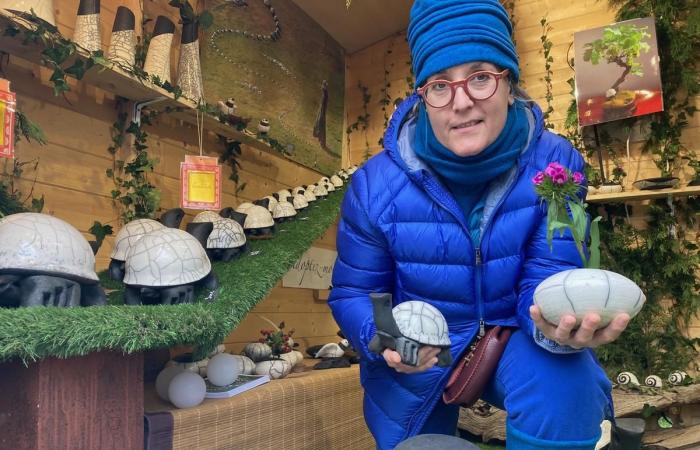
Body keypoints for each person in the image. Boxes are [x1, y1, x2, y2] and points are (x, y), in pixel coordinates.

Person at [327, 1, 632, 449]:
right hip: (419, 356)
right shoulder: (374, 186)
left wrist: (555, 322)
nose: (461, 101)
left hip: (513, 332)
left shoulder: (557, 164)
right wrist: (388, 337)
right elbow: (355, 291)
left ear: (509, 83)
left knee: (568, 381)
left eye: (481, 77)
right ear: (421, 96)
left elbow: (549, 271)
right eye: (439, 85)